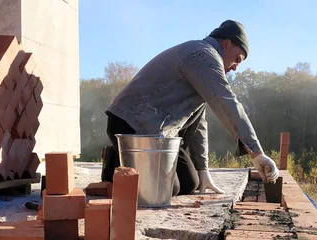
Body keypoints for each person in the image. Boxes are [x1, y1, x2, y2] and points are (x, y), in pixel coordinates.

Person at [100, 20, 279, 196]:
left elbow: (200, 122)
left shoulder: (203, 65)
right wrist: (256, 153)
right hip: (130, 124)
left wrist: (203, 170)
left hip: (156, 132)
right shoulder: (202, 55)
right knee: (165, 189)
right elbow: (227, 102)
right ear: (226, 44)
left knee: (190, 183)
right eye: (237, 59)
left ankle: (133, 164)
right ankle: (114, 160)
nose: (235, 68)